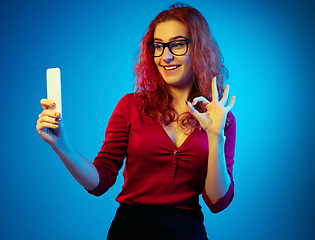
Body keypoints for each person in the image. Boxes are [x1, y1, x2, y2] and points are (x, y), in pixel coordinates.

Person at [36, 2, 236, 240]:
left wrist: (215, 136)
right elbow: (100, 181)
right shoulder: (131, 106)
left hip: (187, 232)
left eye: (178, 44)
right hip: (130, 231)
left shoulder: (221, 118)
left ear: (199, 48)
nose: (166, 55)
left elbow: (217, 201)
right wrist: (61, 145)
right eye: (158, 46)